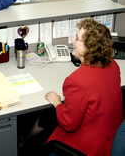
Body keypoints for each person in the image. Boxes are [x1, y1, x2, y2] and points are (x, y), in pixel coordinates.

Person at [45, 18, 124, 156]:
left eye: (77, 38)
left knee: (48, 126)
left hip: (92, 147)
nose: (73, 40)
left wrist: (57, 102)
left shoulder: (76, 81)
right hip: (113, 136)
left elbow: (69, 124)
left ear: (89, 48)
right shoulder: (113, 65)